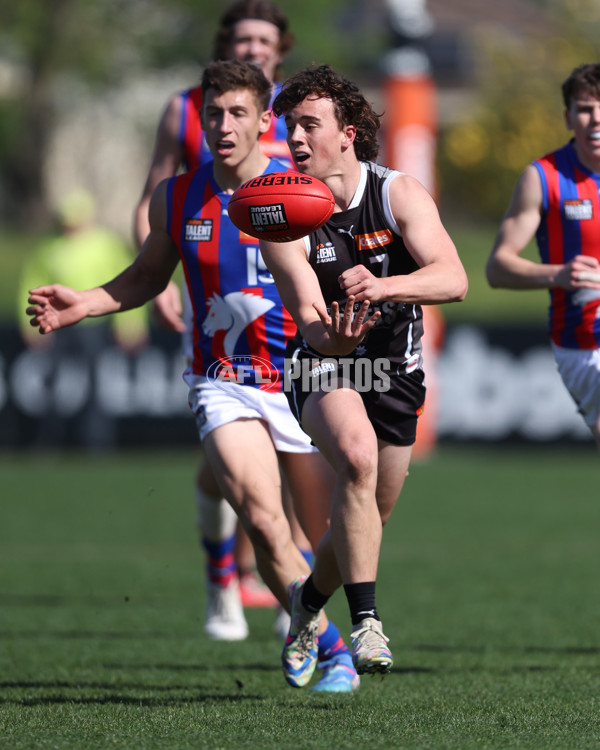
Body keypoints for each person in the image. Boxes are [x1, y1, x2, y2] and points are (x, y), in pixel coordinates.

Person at [27, 59, 359, 693]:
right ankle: (331, 647)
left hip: (303, 377)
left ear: (266, 121)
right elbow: (147, 276)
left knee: (334, 531)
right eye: (213, 112)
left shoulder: (306, 191)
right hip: (223, 378)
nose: (223, 125)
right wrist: (87, 302)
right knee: (260, 517)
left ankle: (304, 616)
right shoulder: (177, 196)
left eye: (238, 113)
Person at [258, 64, 468, 679]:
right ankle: (367, 624)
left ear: (347, 133)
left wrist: (384, 287)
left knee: (367, 514)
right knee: (354, 456)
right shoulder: (279, 215)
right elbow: (309, 320)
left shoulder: (397, 193)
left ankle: (306, 602)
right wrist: (337, 339)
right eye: (289, 126)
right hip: (325, 364)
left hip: (396, 373)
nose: (294, 138)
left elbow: (453, 279)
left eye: (308, 125)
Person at [133, 0, 311, 635]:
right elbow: (157, 192)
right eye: (241, 39)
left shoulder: (300, 120)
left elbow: (341, 197)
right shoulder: (185, 111)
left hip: (301, 348)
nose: (252, 48)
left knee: (306, 485)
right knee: (239, 481)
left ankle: (299, 598)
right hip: (221, 332)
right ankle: (230, 581)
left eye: (263, 40)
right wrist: (154, 276)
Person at [486, 63, 600, 450]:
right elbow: (498, 268)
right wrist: (559, 274)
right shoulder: (545, 177)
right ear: (568, 117)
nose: (595, 120)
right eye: (585, 109)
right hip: (582, 347)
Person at [17, 188, 148, 450]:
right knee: (51, 383)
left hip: (95, 323)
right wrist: (29, 324)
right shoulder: (48, 246)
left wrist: (131, 324)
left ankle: (96, 443)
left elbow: (129, 284)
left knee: (97, 383)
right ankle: (49, 442)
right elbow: (31, 284)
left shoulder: (106, 244)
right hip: (57, 322)